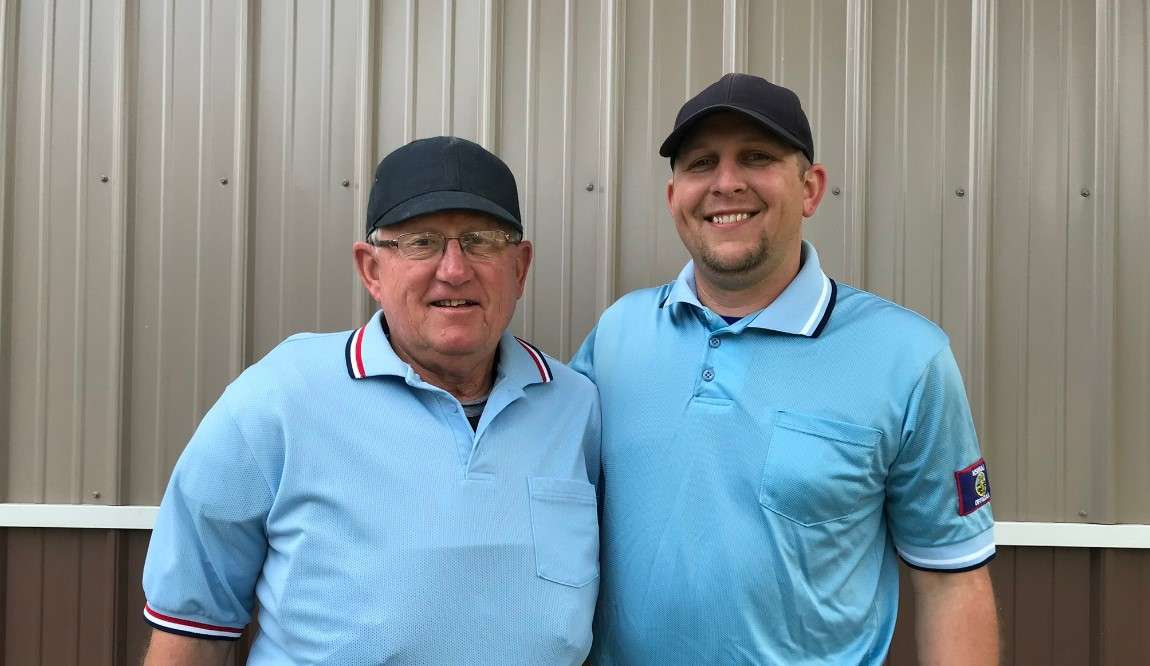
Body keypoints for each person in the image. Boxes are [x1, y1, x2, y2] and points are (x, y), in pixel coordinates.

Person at [572, 73, 998, 664]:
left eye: (756, 157)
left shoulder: (908, 358)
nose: (726, 183)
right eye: (701, 163)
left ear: (810, 189)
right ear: (674, 198)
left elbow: (951, 578)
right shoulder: (617, 337)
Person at [141, 136, 601, 664]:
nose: (454, 269)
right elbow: (194, 627)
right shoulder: (280, 399)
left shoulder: (574, 407)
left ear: (519, 268)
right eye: (421, 242)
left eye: (480, 241)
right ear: (371, 269)